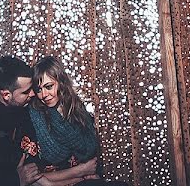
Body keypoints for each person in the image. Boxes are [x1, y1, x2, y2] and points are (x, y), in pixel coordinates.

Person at [0, 55, 98, 186]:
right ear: (6, 95)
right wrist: (15, 180)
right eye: (27, 91)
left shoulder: (22, 110)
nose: (35, 94)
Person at [20, 56, 128, 186]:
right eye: (39, 89)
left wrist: (84, 175)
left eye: (49, 86)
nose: (44, 95)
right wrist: (80, 171)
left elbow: (92, 156)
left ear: (61, 81)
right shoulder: (33, 115)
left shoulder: (76, 107)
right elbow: (32, 178)